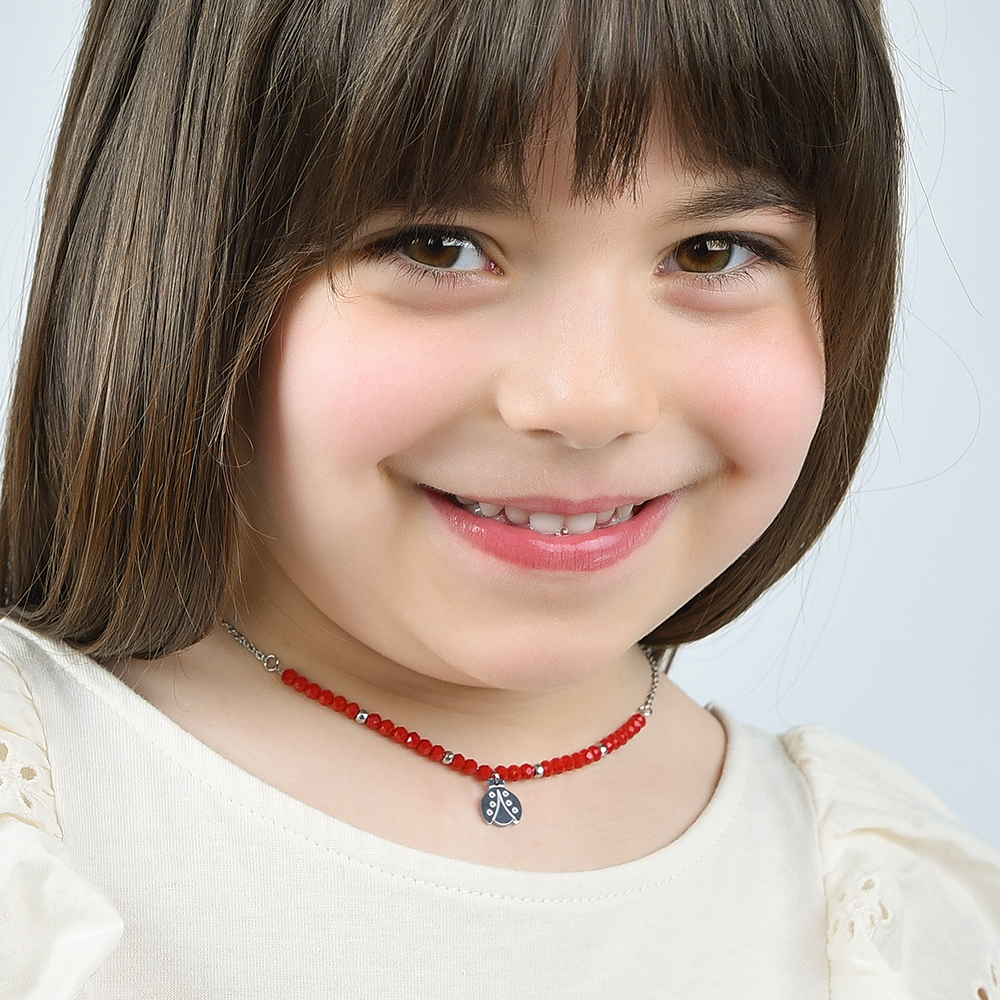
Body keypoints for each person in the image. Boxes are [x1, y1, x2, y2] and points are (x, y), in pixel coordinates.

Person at [0, 0, 997, 996]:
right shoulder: (35, 836)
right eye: (438, 245)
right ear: (188, 255)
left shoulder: (888, 919)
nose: (589, 400)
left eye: (711, 251)